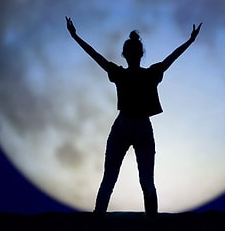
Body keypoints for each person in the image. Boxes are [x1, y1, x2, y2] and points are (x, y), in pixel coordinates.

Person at [65, 17, 202, 218]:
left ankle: (97, 221)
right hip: (141, 127)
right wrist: (190, 41)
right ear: (140, 54)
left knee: (109, 179)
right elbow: (172, 57)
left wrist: (75, 36)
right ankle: (151, 224)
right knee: (147, 180)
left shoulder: (120, 73)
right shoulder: (151, 74)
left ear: (125, 54)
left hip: (124, 125)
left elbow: (95, 56)